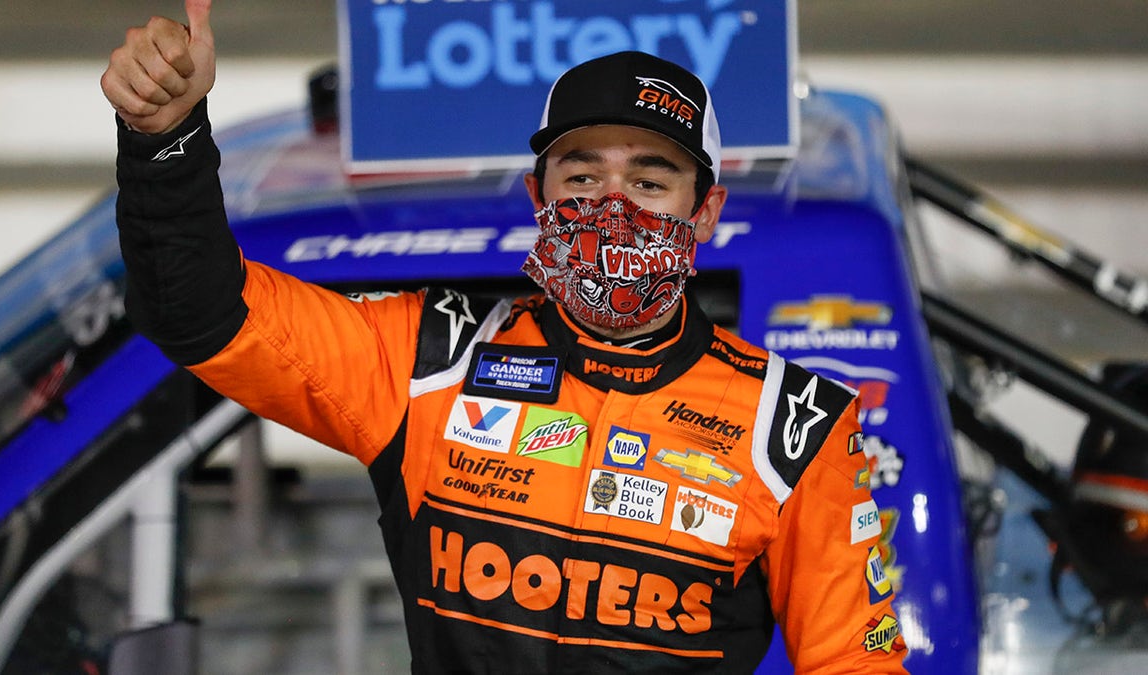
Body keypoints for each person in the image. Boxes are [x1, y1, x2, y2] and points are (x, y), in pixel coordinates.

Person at [102, 1, 908, 671]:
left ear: (704, 212)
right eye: (582, 175)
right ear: (538, 195)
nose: (613, 206)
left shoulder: (794, 428)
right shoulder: (429, 361)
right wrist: (164, 140)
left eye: (651, 180)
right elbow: (202, 310)